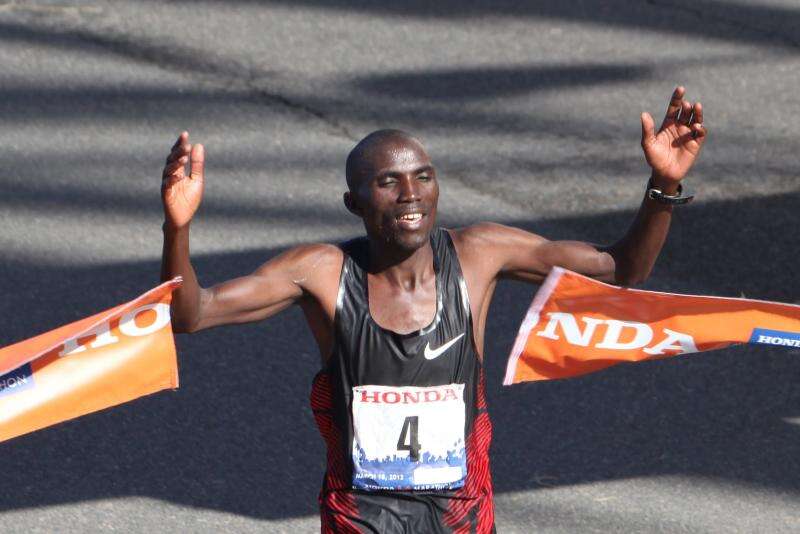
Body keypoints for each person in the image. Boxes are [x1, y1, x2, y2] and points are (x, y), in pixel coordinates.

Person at [160, 86, 706, 533]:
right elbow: (192, 314)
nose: (410, 194)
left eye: (422, 176)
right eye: (387, 181)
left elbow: (622, 270)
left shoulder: (479, 255)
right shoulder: (322, 271)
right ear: (354, 203)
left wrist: (664, 183)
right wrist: (177, 229)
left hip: (461, 517)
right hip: (359, 519)